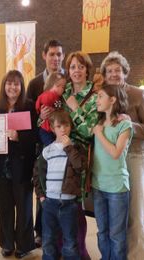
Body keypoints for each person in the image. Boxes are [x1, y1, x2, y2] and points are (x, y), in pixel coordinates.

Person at [100, 51, 144, 260]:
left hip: (133, 157)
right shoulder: (102, 97)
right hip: (110, 160)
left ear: (125, 72)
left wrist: (131, 125)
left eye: (117, 70)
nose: (114, 74)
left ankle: (136, 255)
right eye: (109, 71)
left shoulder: (137, 94)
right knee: (116, 215)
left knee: (135, 213)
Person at [0, 70, 37, 258]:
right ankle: (7, 243)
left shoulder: (29, 106)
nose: (12, 87)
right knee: (5, 208)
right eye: (9, 83)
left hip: (22, 165)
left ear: (21, 87)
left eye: (16, 84)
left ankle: (24, 245)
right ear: (3, 86)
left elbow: (35, 136)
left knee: (24, 207)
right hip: (1, 166)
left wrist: (19, 136)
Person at [27, 39, 65, 248]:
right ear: (44, 56)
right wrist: (40, 117)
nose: (55, 58)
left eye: (59, 54)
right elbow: (28, 117)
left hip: (65, 141)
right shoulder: (34, 84)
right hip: (44, 142)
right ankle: (40, 231)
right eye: (51, 54)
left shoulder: (66, 80)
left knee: (63, 186)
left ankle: (62, 232)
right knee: (44, 185)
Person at [33, 110, 86, 260]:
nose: (63, 129)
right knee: (48, 239)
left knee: (70, 240)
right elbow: (37, 174)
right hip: (49, 202)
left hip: (69, 203)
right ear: (52, 128)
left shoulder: (76, 147)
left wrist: (69, 147)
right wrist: (41, 196)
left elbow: (80, 167)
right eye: (59, 126)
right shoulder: (47, 150)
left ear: (70, 127)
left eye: (66, 125)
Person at [62, 51, 100, 260]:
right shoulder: (63, 90)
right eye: (73, 67)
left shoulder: (95, 96)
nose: (76, 71)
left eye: (81, 66)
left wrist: (75, 110)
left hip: (78, 155)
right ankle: (64, 248)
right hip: (60, 155)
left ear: (87, 70)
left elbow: (88, 131)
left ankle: (80, 251)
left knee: (76, 205)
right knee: (61, 202)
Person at [92, 84, 133, 259]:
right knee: (102, 232)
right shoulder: (98, 122)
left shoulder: (125, 123)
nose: (97, 100)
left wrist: (99, 134)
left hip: (117, 188)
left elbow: (116, 153)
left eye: (100, 96)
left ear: (113, 100)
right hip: (98, 186)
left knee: (116, 235)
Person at [35, 72, 67, 146]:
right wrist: (55, 109)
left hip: (48, 128)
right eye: (58, 86)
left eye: (63, 87)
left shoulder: (43, 95)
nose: (61, 89)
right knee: (52, 145)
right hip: (48, 128)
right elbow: (58, 106)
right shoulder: (52, 96)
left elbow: (37, 105)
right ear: (51, 85)